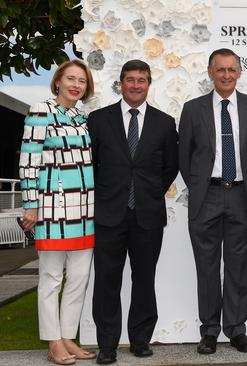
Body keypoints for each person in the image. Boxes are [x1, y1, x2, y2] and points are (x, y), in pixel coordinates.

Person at [88, 60, 179, 364]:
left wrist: (149, 192)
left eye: (141, 80)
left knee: (144, 279)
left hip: (148, 215)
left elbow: (170, 166)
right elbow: (93, 165)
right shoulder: (99, 120)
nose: (136, 85)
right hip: (109, 214)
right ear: (121, 83)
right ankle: (107, 345)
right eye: (130, 80)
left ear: (148, 84)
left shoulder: (165, 123)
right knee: (106, 281)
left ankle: (140, 339)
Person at [178, 48, 247, 355]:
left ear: (239, 73)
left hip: (242, 196)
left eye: (231, 69)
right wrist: (203, 185)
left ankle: (237, 329)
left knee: (239, 266)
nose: (226, 75)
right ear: (210, 72)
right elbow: (184, 157)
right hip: (207, 197)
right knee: (207, 266)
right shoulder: (192, 109)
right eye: (220, 69)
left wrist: (245, 182)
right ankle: (210, 331)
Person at [19, 60, 96, 365]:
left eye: (82, 81)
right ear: (58, 82)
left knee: (78, 278)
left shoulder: (83, 116)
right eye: (71, 79)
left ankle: (67, 337)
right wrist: (30, 205)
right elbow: (29, 161)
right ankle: (53, 342)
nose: (76, 85)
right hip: (52, 209)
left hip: (85, 210)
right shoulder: (41, 110)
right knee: (51, 278)